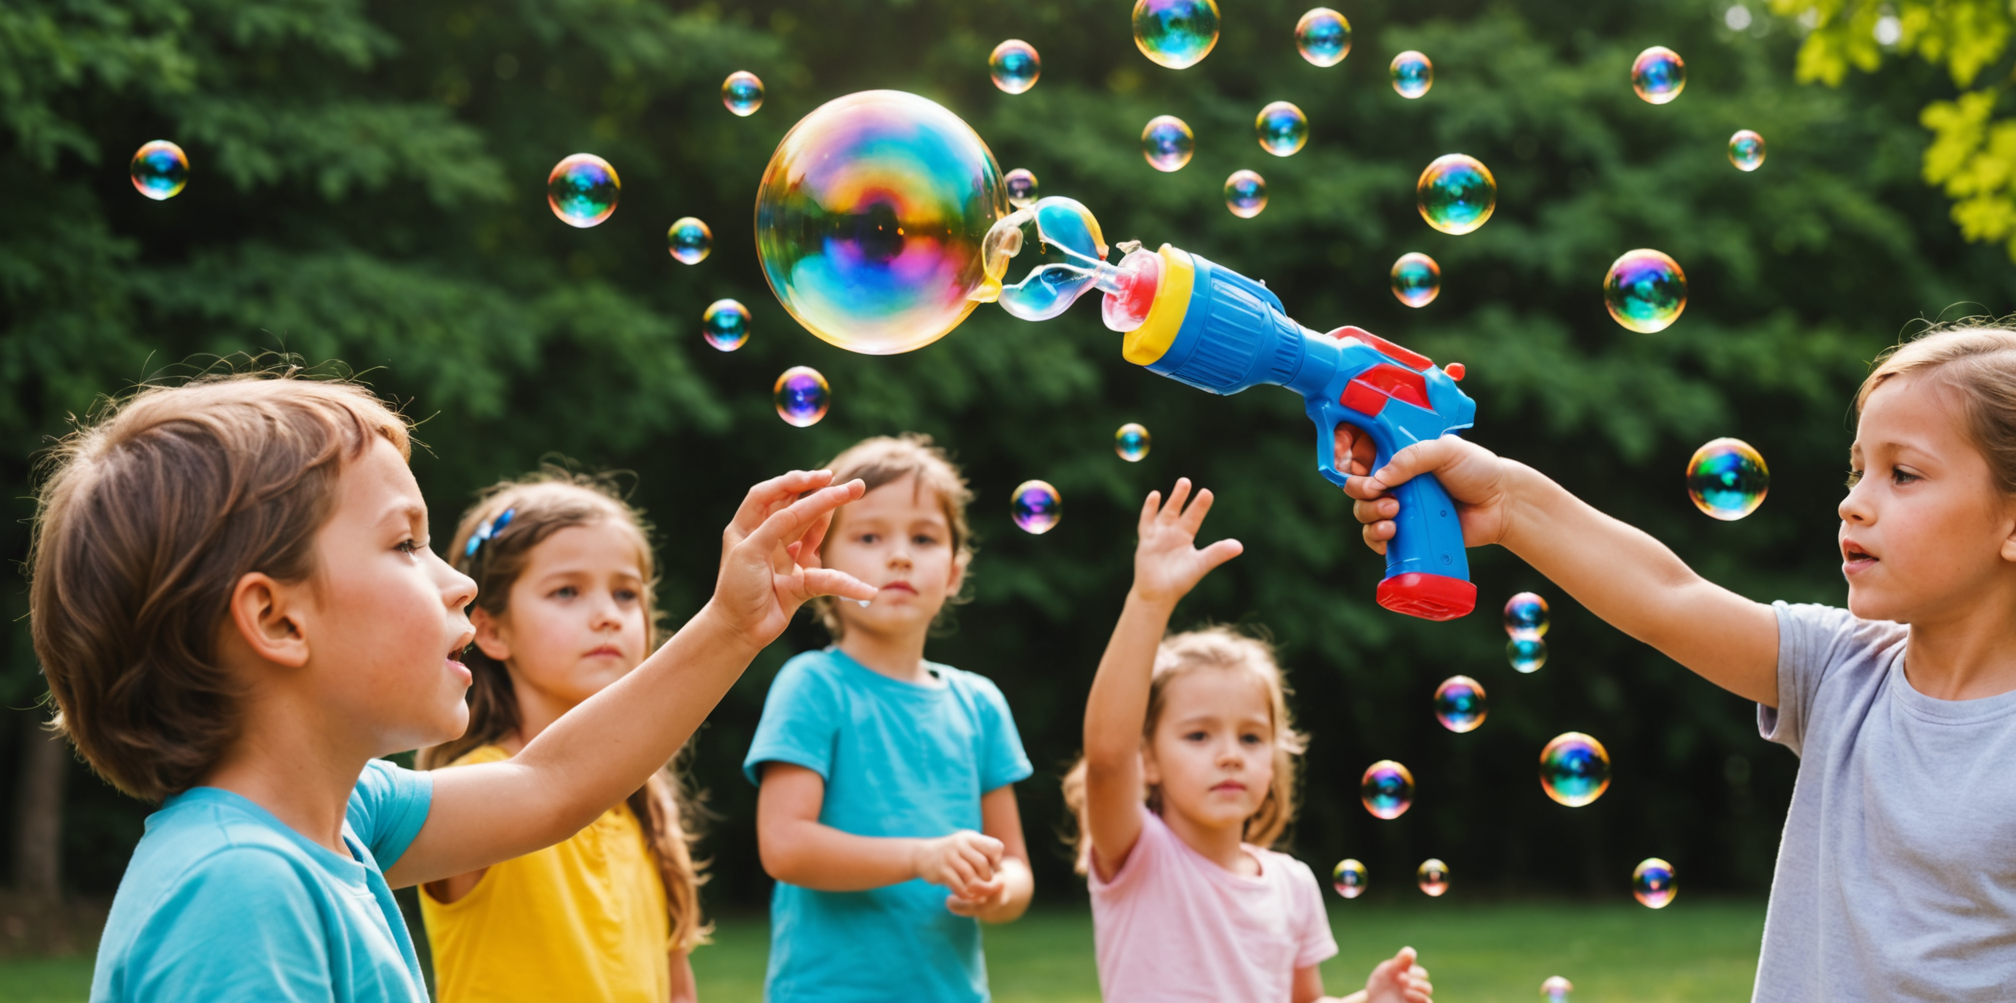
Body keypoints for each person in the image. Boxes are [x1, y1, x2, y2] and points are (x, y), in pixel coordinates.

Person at [27, 373, 872, 1003]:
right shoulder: (238, 888)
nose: (458, 584)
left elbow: (551, 785)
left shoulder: (344, 819)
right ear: (277, 621)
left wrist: (731, 624)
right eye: (405, 545)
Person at [1341, 319, 2016, 1002]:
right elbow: (1668, 597)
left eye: (1902, 474)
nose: (1853, 503)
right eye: (1857, 470)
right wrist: (1507, 501)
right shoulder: (1842, 670)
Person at [1068, 477, 1435, 1003]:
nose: (1229, 755)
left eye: (1251, 737)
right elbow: (1106, 757)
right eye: (1198, 735)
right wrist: (1149, 601)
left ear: (1277, 755)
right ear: (1146, 758)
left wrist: (1369, 1001)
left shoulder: (1292, 885)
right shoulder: (1138, 857)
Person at [745, 434, 1034, 1003]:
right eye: (870, 536)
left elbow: (1016, 864)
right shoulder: (814, 686)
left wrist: (999, 891)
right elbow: (784, 846)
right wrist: (921, 857)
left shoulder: (981, 705)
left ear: (954, 571)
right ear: (820, 559)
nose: (899, 555)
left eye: (923, 537)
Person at [418, 470, 708, 1002]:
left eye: (626, 594)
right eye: (567, 591)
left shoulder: (646, 812)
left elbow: (678, 992)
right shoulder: (474, 786)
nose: (606, 616)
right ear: (493, 630)